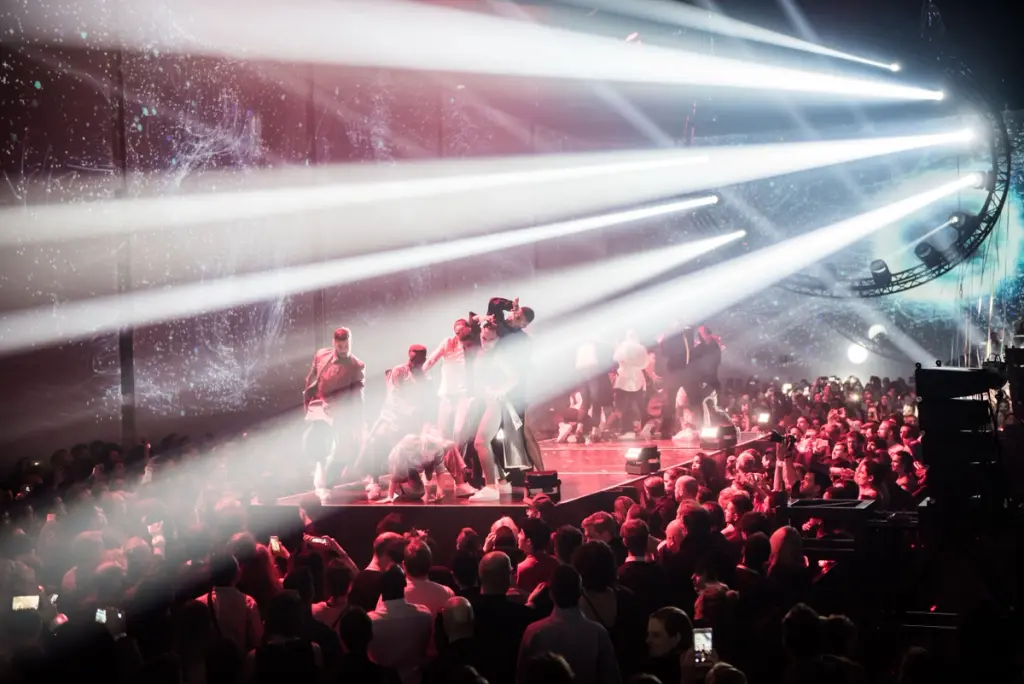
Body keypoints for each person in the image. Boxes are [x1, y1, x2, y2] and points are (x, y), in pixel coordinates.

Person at [356, 344, 440, 499]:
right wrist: (412, 410)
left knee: (428, 447)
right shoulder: (399, 372)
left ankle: (418, 480)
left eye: (418, 360)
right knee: (375, 441)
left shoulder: (427, 380)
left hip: (414, 424)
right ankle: (374, 482)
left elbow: (430, 406)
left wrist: (425, 424)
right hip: (392, 418)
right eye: (412, 359)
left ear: (423, 360)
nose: (413, 363)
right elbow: (395, 398)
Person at [517, 564, 621, 684]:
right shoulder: (598, 633)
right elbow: (612, 678)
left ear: (551, 594)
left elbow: (521, 677)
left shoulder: (533, 632)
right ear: (580, 593)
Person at [469, 320, 532, 501]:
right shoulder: (482, 354)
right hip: (483, 402)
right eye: (483, 337)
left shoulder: (498, 356)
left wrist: (498, 391)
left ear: (498, 339)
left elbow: (514, 378)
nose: (486, 342)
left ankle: (490, 486)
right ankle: (503, 483)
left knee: (481, 443)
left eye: (490, 339)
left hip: (494, 403)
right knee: (486, 444)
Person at [303, 327, 365, 485]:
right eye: (340, 346)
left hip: (340, 411)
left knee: (345, 449)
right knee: (316, 443)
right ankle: (319, 474)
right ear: (334, 343)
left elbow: (358, 397)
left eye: (347, 346)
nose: (344, 350)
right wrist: (309, 398)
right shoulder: (321, 355)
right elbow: (312, 376)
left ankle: (329, 481)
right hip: (319, 407)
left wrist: (358, 422)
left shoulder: (356, 366)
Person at [425, 318, 479, 445]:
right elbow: (431, 360)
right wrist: (422, 373)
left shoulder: (473, 345)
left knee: (458, 431)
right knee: (441, 432)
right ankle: (444, 461)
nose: (459, 334)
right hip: (446, 393)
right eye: (457, 332)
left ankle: (458, 460)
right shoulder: (448, 342)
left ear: (469, 329)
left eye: (461, 331)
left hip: (464, 394)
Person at [612, 331, 649, 439]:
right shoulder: (641, 348)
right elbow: (645, 363)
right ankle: (645, 428)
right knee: (640, 406)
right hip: (638, 379)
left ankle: (627, 431)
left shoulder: (623, 347)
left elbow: (616, 357)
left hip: (624, 379)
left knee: (624, 406)